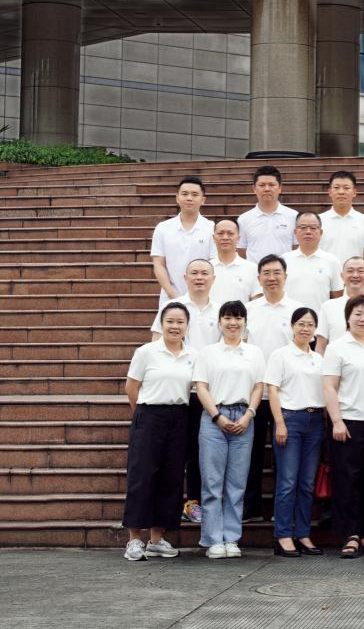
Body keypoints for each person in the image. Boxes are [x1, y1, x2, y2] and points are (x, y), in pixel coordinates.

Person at [122, 301, 195, 561]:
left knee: (171, 478)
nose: (175, 326)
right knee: (141, 476)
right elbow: (131, 388)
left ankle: (156, 540)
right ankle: (134, 540)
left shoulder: (193, 355)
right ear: (161, 324)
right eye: (170, 321)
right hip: (149, 416)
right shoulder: (146, 352)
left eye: (180, 322)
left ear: (187, 326)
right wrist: (144, 415)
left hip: (179, 418)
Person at [149, 258, 219, 526]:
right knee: (177, 451)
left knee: (202, 450)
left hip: (208, 393)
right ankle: (171, 505)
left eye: (205, 273)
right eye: (194, 273)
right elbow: (156, 347)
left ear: (213, 278)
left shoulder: (220, 310)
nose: (200, 277)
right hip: (178, 392)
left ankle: (195, 501)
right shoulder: (172, 307)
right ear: (185, 277)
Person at [192, 300, 265, 559]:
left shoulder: (254, 352)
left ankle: (232, 538)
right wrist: (217, 416)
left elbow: (258, 386)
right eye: (227, 318)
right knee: (212, 483)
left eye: (238, 318)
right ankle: (213, 540)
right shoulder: (208, 352)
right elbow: (201, 386)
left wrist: (249, 414)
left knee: (237, 483)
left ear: (245, 322)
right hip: (214, 418)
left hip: (244, 418)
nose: (233, 323)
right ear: (220, 322)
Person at [322, 295, 364, 558]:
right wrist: (337, 421)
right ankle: (349, 534)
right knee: (347, 480)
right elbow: (329, 387)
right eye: (358, 314)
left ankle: (363, 532)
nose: (363, 319)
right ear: (348, 317)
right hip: (348, 422)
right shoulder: (337, 348)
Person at [243, 254, 301, 522]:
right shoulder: (249, 310)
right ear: (259, 278)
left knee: (284, 457)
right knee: (251, 454)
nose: (272, 277)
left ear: (286, 276)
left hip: (286, 395)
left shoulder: (297, 310)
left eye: (277, 272)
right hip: (254, 394)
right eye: (266, 273)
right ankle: (251, 508)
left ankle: (283, 512)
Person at [264, 307, 325, 558]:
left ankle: (302, 533)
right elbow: (273, 390)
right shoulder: (280, 355)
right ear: (292, 326)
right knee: (287, 481)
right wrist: (279, 422)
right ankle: (283, 535)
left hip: (316, 420)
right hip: (290, 419)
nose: (305, 328)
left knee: (307, 482)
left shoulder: (319, 359)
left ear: (315, 329)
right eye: (301, 323)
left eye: (310, 324)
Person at [151, 176, 213, 306]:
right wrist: (172, 294)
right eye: (185, 194)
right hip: (170, 300)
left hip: (203, 299)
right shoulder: (163, 228)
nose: (189, 198)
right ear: (177, 198)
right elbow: (159, 264)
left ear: (203, 200)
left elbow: (214, 264)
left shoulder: (211, 228)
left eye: (194, 194)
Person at [317, 258, 364, 353]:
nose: (355, 275)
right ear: (342, 276)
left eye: (361, 271)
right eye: (350, 271)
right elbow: (321, 346)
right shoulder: (328, 306)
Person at [283, 212, 344, 312]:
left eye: (313, 228)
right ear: (295, 232)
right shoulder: (284, 260)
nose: (308, 232)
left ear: (321, 232)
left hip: (320, 320)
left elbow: (337, 297)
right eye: (303, 227)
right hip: (289, 319)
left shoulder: (332, 261)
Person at [237, 165, 297, 264]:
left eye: (272, 185)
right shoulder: (244, 219)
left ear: (280, 188)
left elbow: (296, 247)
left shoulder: (293, 216)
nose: (267, 189)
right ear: (254, 188)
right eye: (262, 185)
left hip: (285, 271)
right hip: (255, 272)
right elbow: (241, 249)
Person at [319, 170, 364, 264]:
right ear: (330, 192)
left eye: (346, 188)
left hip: (355, 273)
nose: (341, 192)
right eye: (336, 188)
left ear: (354, 192)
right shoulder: (318, 221)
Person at [209, 219, 257, 309]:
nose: (225, 237)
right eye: (220, 233)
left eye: (230, 233)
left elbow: (256, 302)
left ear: (238, 238)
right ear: (214, 238)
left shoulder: (252, 268)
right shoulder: (205, 269)